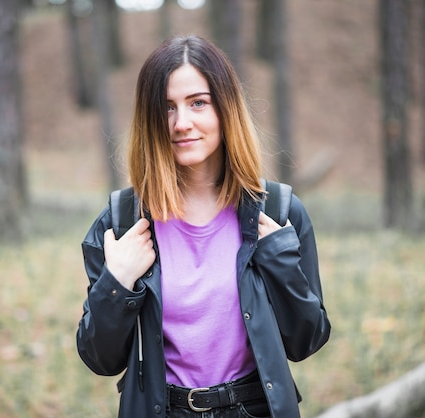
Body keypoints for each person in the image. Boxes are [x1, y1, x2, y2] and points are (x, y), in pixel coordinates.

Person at [76, 35, 331, 418]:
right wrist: (118, 281)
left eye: (198, 103)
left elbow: (306, 341)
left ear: (225, 109)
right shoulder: (121, 223)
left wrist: (279, 260)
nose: (182, 123)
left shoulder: (279, 213)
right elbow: (100, 358)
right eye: (166, 108)